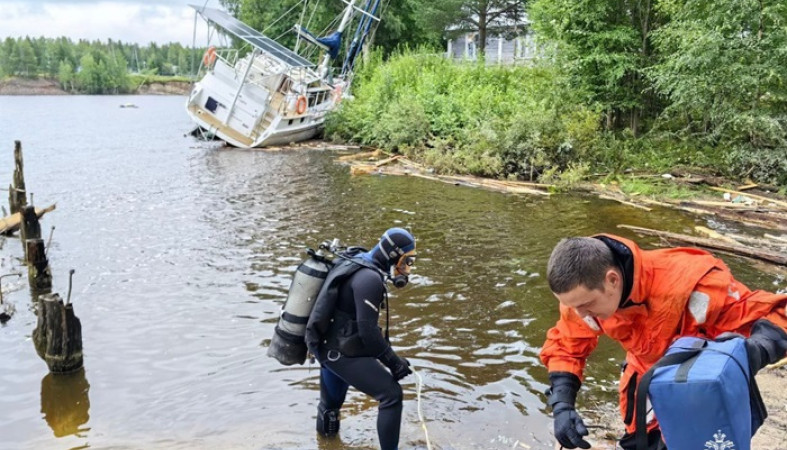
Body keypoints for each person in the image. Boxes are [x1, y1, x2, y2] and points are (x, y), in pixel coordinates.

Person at [540, 233, 787, 449]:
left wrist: (751, 353)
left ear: (612, 279)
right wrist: (563, 404)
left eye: (586, 306)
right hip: (644, 383)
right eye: (573, 307)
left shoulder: (694, 283)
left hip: (697, 385)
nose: (581, 315)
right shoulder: (581, 297)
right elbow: (566, 345)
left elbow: (776, 313)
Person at [306, 227, 416, 450]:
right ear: (394, 255)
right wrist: (394, 363)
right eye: (407, 260)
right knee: (391, 396)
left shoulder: (356, 258)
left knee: (330, 405)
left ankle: (327, 445)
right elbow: (368, 333)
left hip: (324, 345)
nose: (407, 268)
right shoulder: (370, 279)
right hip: (338, 351)